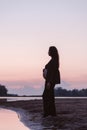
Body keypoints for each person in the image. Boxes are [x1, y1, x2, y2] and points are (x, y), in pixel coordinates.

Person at [42, 46, 60, 117]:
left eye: (49, 51)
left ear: (52, 52)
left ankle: (47, 113)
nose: (48, 52)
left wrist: (49, 82)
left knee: (45, 96)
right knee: (50, 96)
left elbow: (53, 72)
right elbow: (50, 70)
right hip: (49, 80)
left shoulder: (54, 60)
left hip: (50, 80)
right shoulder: (53, 60)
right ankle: (51, 113)